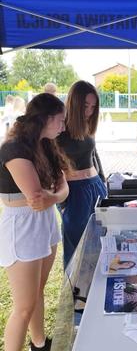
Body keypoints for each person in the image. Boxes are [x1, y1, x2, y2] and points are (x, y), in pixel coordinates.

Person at [0, 93, 69, 351]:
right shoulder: (14, 149)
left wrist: (55, 196)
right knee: (23, 307)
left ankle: (39, 344)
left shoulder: (44, 144)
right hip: (22, 228)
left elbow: (62, 187)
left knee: (37, 291)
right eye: (60, 121)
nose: (63, 127)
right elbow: (36, 197)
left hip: (44, 223)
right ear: (46, 119)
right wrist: (55, 195)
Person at [57, 80, 107, 268]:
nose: (89, 111)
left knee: (101, 243)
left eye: (93, 107)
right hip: (74, 192)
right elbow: (52, 167)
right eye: (85, 106)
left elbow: (94, 154)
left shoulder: (87, 125)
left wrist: (103, 182)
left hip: (96, 187)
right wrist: (62, 204)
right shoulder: (59, 128)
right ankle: (76, 296)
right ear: (74, 103)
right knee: (77, 248)